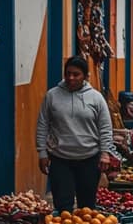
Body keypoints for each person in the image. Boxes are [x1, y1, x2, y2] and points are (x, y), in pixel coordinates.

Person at [36, 55, 116, 212]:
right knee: (63, 207)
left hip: (89, 159)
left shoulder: (96, 98)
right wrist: (42, 153)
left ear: (85, 76)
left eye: (76, 74)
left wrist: (105, 153)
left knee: (87, 207)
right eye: (68, 74)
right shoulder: (52, 96)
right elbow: (42, 125)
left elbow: (105, 128)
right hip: (60, 159)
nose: (71, 78)